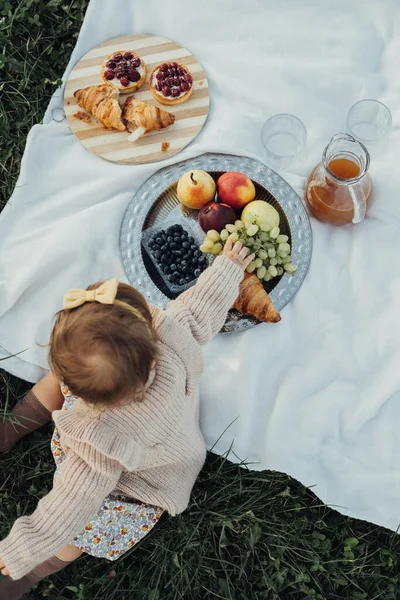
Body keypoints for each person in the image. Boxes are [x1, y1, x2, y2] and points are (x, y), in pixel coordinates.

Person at [0, 240, 253, 599]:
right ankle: (10, 429)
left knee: (85, 527)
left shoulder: (100, 444)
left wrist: (24, 549)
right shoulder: (172, 337)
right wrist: (229, 267)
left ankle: (28, 575)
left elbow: (68, 506)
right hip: (152, 426)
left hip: (137, 482)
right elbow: (201, 307)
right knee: (66, 369)